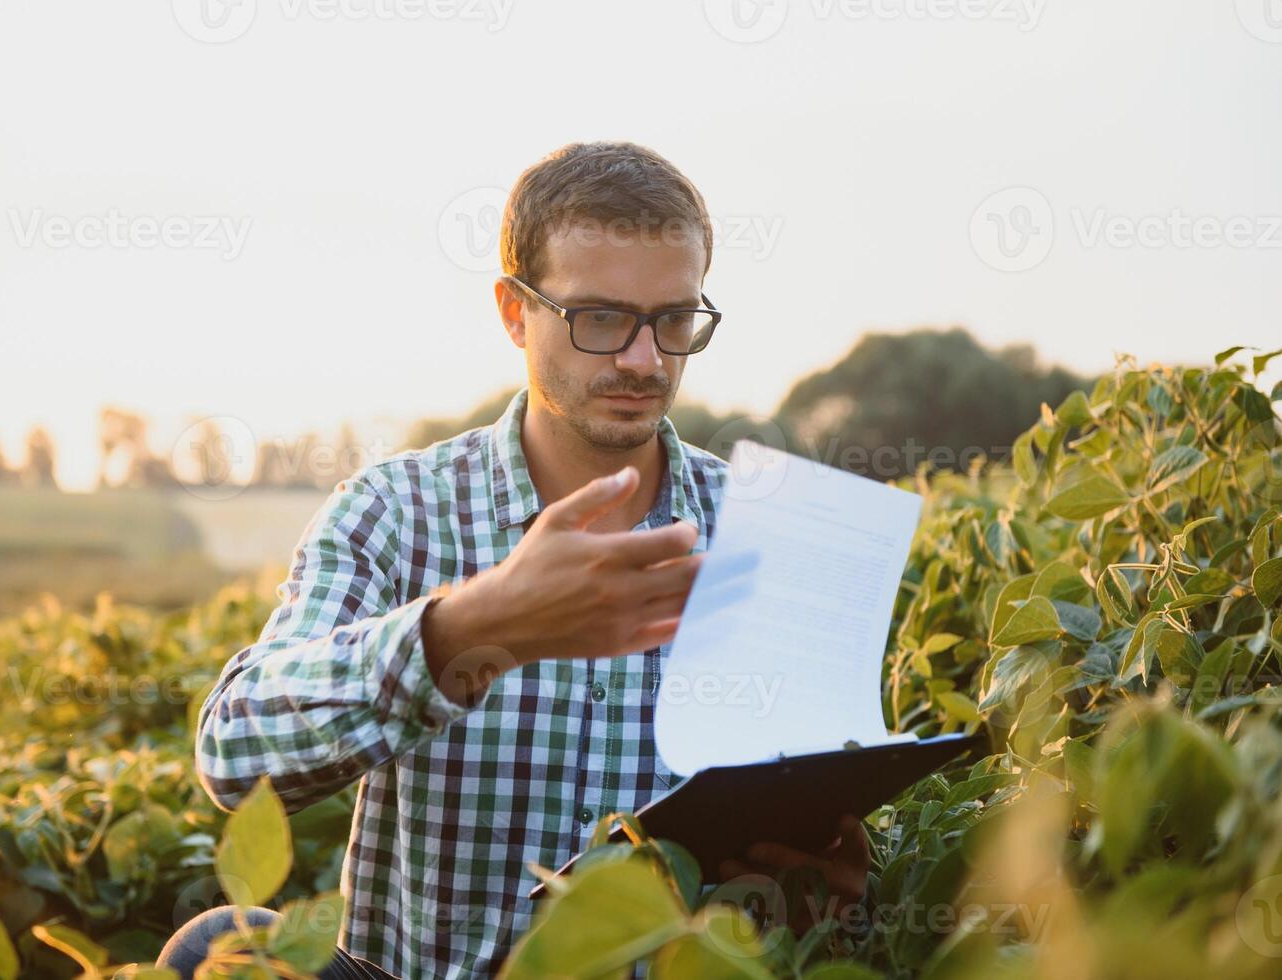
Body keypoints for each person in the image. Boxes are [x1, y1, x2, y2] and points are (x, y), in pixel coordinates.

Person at [168, 141, 870, 979]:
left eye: (675, 320)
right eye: (601, 318)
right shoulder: (396, 511)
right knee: (220, 950)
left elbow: (829, 827)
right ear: (514, 312)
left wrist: (837, 882)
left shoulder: (773, 532)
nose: (645, 360)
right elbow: (237, 752)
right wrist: (475, 627)